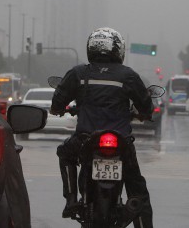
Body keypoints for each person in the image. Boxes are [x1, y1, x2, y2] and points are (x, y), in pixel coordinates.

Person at [50, 27, 155, 228]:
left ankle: (71, 200)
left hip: (85, 139)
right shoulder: (128, 75)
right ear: (118, 50)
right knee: (138, 192)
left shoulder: (78, 73)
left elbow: (57, 102)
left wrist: (59, 109)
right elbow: (146, 106)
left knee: (65, 153)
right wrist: (143, 113)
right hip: (121, 142)